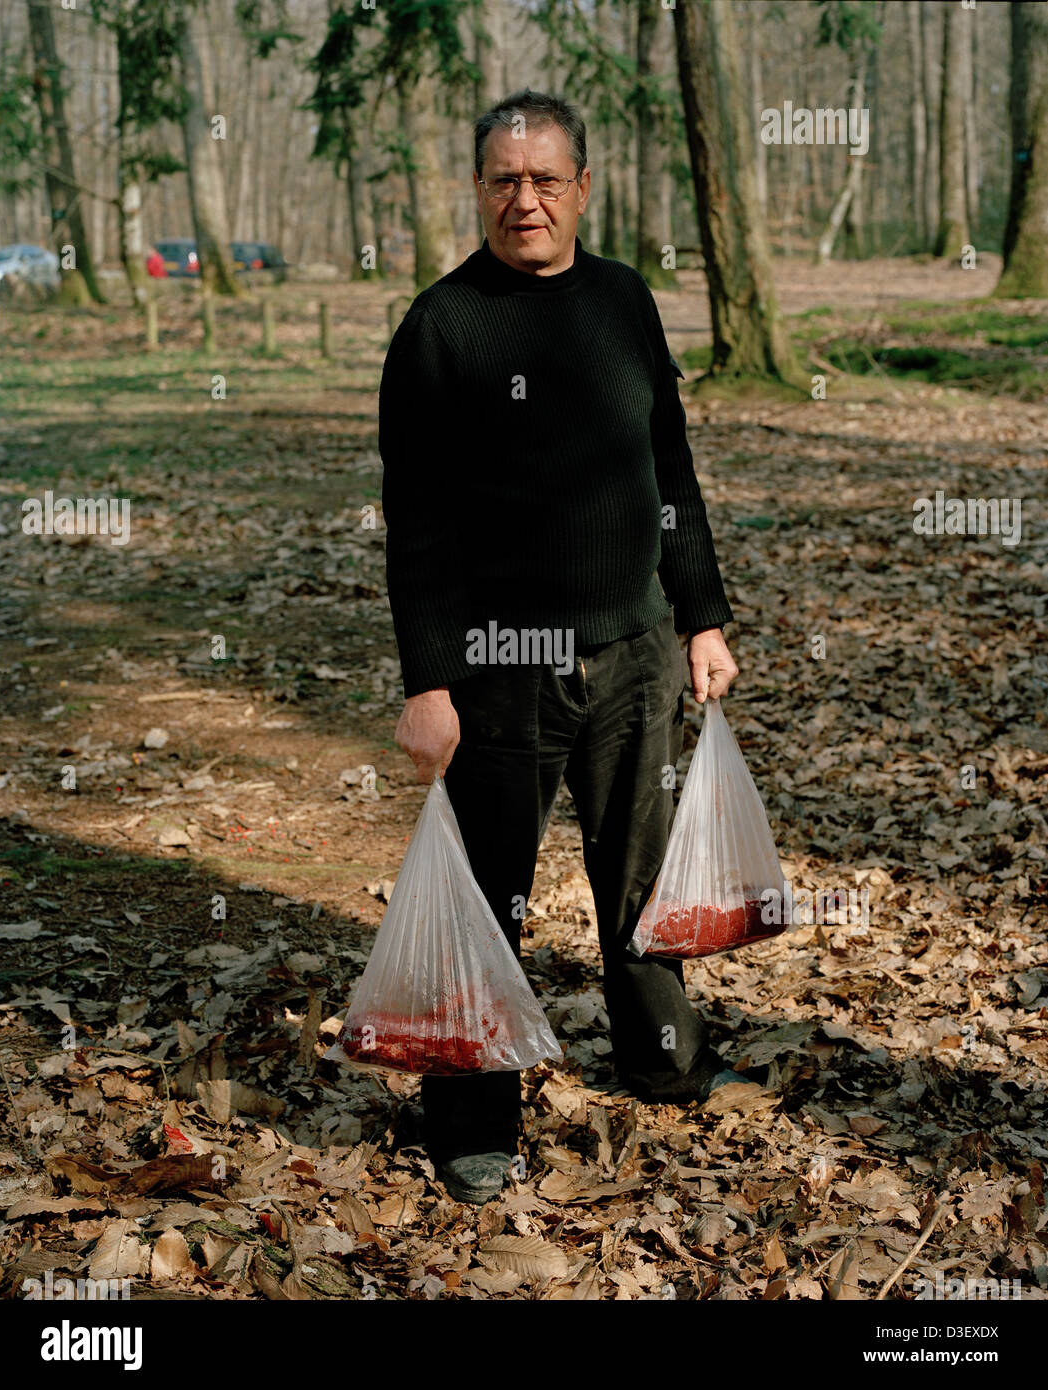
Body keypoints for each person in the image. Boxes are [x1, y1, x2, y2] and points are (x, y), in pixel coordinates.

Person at [378, 89, 744, 1206]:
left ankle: (659, 1059)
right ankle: (471, 1118)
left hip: (631, 650)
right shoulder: (440, 329)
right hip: (498, 667)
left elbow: (667, 473)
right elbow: (420, 524)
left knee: (638, 879)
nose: (524, 198)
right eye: (503, 179)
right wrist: (429, 681)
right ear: (478, 189)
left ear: (583, 186)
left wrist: (702, 616)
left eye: (545, 178)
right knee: (488, 900)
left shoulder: (625, 302)